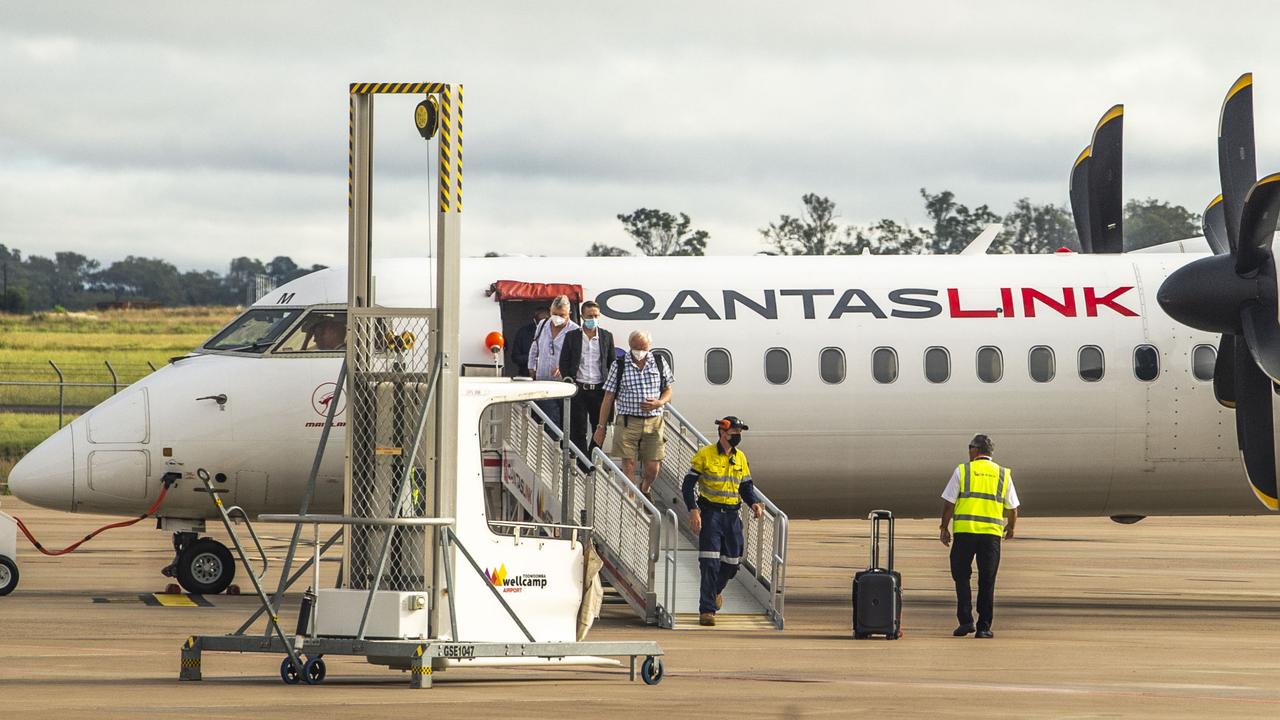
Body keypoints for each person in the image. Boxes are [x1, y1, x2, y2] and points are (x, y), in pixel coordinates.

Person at [682, 416, 764, 627]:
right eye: (734, 433)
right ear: (722, 433)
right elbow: (688, 485)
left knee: (733, 563)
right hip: (711, 514)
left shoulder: (741, 458)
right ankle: (707, 610)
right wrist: (694, 510)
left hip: (732, 515)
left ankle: (716, 590)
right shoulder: (705, 455)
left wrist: (754, 503)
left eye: (739, 433)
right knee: (709, 562)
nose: (737, 437)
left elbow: (745, 486)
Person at [939, 434, 1019, 639]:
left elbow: (949, 503)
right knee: (987, 580)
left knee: (961, 577)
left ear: (975, 450)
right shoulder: (1003, 474)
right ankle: (984, 626)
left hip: (965, 533)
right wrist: (1011, 528)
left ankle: (966, 622)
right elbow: (1013, 508)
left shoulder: (963, 470)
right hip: (991, 536)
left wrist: (944, 527)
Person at [593, 330, 673, 497]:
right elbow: (608, 397)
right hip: (627, 421)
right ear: (630, 346)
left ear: (649, 346)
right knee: (628, 463)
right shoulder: (619, 365)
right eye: (635, 347)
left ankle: (645, 488)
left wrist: (659, 402)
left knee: (653, 467)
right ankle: (631, 500)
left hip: (654, 421)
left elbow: (668, 390)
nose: (639, 351)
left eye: (643, 347)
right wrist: (601, 427)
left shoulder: (658, 362)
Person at [558, 300, 615, 459]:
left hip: (599, 390)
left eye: (596, 316)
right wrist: (569, 379)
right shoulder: (572, 336)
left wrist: (610, 387)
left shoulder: (606, 336)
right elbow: (564, 361)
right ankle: (582, 461)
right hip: (579, 389)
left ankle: (593, 457)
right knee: (578, 429)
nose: (593, 319)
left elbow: (611, 363)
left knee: (599, 427)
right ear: (582, 316)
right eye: (590, 316)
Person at [527, 296, 578, 426]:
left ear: (569, 314)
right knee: (548, 419)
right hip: (542, 380)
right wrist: (531, 367)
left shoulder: (575, 330)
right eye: (554, 314)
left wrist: (563, 367)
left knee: (562, 420)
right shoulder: (542, 324)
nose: (557, 317)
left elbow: (578, 357)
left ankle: (558, 445)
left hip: (562, 383)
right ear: (550, 310)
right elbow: (535, 346)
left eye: (562, 315)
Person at [511, 308, 549, 377]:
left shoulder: (556, 332)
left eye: (546, 321)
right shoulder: (523, 333)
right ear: (534, 320)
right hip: (526, 375)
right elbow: (515, 357)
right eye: (539, 321)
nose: (542, 324)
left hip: (549, 375)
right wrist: (533, 359)